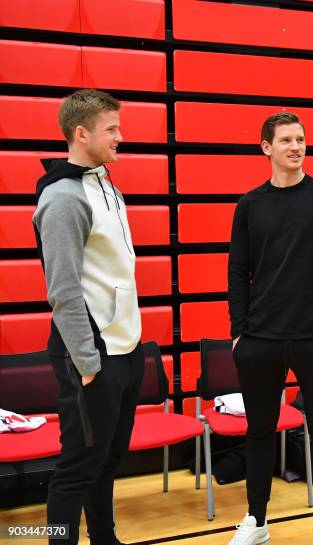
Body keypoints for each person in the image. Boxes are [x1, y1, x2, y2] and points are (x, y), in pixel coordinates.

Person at [227, 112, 313, 545]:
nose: (296, 147)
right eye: (286, 140)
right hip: (260, 340)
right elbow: (237, 271)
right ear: (266, 147)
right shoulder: (249, 205)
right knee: (260, 432)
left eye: (300, 139)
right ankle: (256, 521)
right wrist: (239, 333)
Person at [33, 89, 144, 545]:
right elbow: (62, 291)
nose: (121, 136)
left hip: (125, 350)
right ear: (81, 133)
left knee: (107, 461)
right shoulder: (63, 198)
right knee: (77, 469)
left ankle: (105, 539)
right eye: (111, 129)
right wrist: (88, 363)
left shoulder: (106, 185)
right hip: (91, 357)